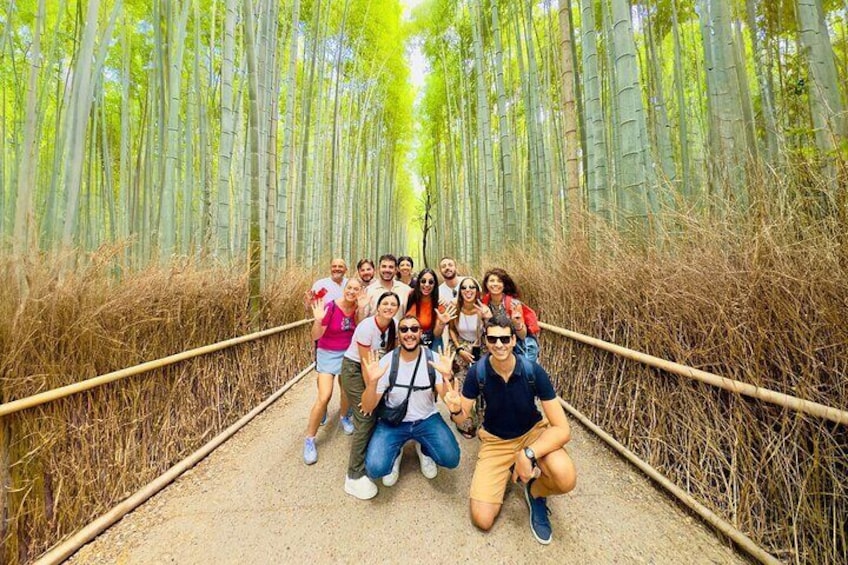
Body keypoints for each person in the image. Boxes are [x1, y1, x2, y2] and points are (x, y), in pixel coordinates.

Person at [444, 315, 576, 544]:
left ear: (514, 340)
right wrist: (455, 410)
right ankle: (510, 467)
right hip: (496, 441)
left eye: (505, 339)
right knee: (482, 519)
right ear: (485, 341)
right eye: (493, 339)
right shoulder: (478, 373)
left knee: (565, 478)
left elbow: (562, 429)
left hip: (532, 433)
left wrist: (528, 453)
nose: (499, 344)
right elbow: (462, 418)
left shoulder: (532, 371)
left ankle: (535, 491)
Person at [359, 316, 460, 488]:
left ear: (421, 333)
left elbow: (445, 396)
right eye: (404, 329)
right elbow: (368, 406)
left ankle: (424, 449)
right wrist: (373, 382)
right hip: (394, 422)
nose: (409, 333)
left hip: (426, 418)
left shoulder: (433, 360)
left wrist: (446, 378)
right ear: (398, 335)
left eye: (414, 329)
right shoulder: (387, 362)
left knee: (451, 458)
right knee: (375, 468)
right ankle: (395, 451)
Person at [339, 292, 400, 500]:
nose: (389, 307)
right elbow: (366, 367)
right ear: (377, 306)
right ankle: (353, 475)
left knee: (377, 413)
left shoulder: (395, 325)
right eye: (385, 303)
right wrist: (370, 396)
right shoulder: (366, 326)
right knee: (365, 415)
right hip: (356, 370)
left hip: (376, 371)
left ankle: (373, 455)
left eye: (393, 304)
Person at [303, 280, 362, 464]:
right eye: (349, 288)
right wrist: (318, 320)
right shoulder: (330, 306)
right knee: (324, 396)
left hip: (348, 353)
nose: (351, 291)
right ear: (344, 290)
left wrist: (362, 309)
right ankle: (309, 439)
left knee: (346, 391)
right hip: (327, 353)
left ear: (360, 293)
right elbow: (315, 336)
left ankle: (345, 417)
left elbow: (360, 331)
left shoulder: (359, 309)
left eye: (356, 289)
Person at [447, 276, 492, 438]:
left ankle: (485, 422)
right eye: (464, 288)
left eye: (472, 287)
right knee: (461, 384)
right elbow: (451, 329)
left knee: (484, 386)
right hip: (461, 346)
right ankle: (465, 422)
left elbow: (490, 331)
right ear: (460, 292)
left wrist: (487, 318)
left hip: (481, 347)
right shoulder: (455, 307)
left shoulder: (483, 309)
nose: (468, 291)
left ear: (477, 291)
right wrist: (459, 349)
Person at [481, 268, 541, 361]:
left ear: (504, 285)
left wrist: (516, 323)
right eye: (492, 281)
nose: (495, 284)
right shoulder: (483, 304)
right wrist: (486, 319)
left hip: (518, 347)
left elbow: (522, 335)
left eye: (499, 281)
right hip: (498, 346)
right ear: (486, 284)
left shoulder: (514, 304)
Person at [405, 268, 455, 351]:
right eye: (423, 281)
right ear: (418, 282)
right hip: (410, 339)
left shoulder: (439, 305)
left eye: (431, 282)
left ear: (435, 285)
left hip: (430, 342)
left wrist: (441, 323)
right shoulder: (410, 295)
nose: (427, 284)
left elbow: (437, 334)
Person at [362, 254, 412, 321]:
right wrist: (360, 308)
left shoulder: (405, 290)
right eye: (384, 266)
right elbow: (362, 319)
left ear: (396, 269)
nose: (387, 270)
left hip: (398, 330)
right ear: (378, 268)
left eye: (391, 267)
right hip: (375, 331)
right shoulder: (369, 290)